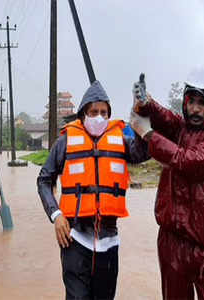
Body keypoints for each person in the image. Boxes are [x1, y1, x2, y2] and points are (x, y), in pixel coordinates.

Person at [37, 81, 149, 300]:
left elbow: (144, 151)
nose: (99, 117)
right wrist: (56, 214)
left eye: (104, 112)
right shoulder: (65, 142)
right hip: (75, 238)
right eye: (94, 112)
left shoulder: (122, 141)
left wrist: (141, 117)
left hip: (109, 241)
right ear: (83, 115)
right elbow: (44, 180)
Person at [130, 81, 204, 299]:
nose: (195, 109)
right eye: (191, 101)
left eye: (202, 103)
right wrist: (146, 103)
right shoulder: (183, 128)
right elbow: (168, 119)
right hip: (173, 240)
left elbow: (188, 161)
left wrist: (148, 134)